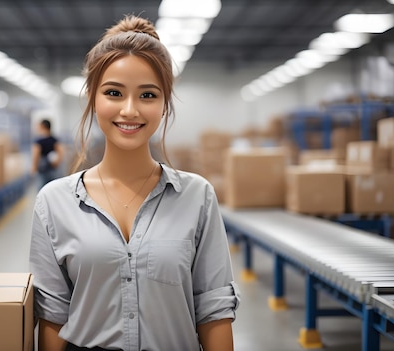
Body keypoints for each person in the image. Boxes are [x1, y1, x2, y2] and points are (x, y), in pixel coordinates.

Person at [30, 15, 240, 351]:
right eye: (114, 92)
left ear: (164, 104)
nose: (130, 110)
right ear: (93, 99)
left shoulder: (197, 197)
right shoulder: (55, 202)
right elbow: (53, 316)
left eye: (147, 95)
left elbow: (213, 311)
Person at [31, 118, 64, 189]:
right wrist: (57, 162)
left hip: (42, 171)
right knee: (53, 189)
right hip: (54, 170)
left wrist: (34, 167)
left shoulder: (38, 141)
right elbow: (61, 152)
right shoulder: (54, 140)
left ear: (43, 126)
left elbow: (36, 155)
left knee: (42, 190)